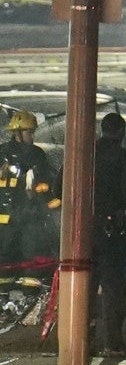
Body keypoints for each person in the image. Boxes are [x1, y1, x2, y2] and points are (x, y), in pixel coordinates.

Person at [92, 113, 126, 356]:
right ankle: (113, 342)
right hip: (114, 234)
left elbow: (59, 187)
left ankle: (81, 341)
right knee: (114, 290)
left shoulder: (83, 155)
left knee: (83, 287)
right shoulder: (125, 158)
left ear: (101, 130)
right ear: (122, 132)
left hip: (83, 233)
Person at [0, 110, 60, 265]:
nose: (33, 137)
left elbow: (47, 179)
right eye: (30, 132)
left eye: (33, 132)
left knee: (30, 261)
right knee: (7, 260)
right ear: (17, 132)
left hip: (28, 219)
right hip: (11, 221)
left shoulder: (37, 154)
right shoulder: (4, 155)